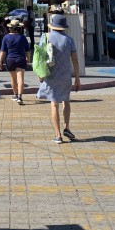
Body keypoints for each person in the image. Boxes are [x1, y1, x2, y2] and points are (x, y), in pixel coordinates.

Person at [36, 13, 81, 143]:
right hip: (65, 76)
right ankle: (67, 128)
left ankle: (58, 135)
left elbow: (40, 58)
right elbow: (75, 61)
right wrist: (77, 78)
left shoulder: (45, 37)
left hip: (50, 76)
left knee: (54, 104)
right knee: (66, 100)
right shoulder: (69, 40)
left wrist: (40, 74)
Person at [0, 19, 31, 104]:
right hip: (21, 59)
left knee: (13, 78)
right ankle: (20, 96)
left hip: (10, 59)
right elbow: (27, 50)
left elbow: (3, 51)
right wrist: (28, 58)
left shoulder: (6, 37)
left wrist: (0, 61)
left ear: (10, 28)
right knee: (20, 78)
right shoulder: (22, 37)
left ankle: (15, 94)